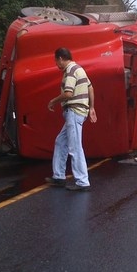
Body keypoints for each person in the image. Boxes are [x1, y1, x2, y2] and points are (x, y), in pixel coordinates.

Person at [46, 48, 97, 192]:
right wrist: (91, 108)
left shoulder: (70, 71)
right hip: (79, 111)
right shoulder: (79, 69)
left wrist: (53, 101)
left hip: (74, 111)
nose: (56, 64)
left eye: (56, 61)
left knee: (74, 147)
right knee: (61, 141)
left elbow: (68, 94)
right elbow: (91, 88)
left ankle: (82, 181)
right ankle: (59, 177)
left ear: (61, 58)